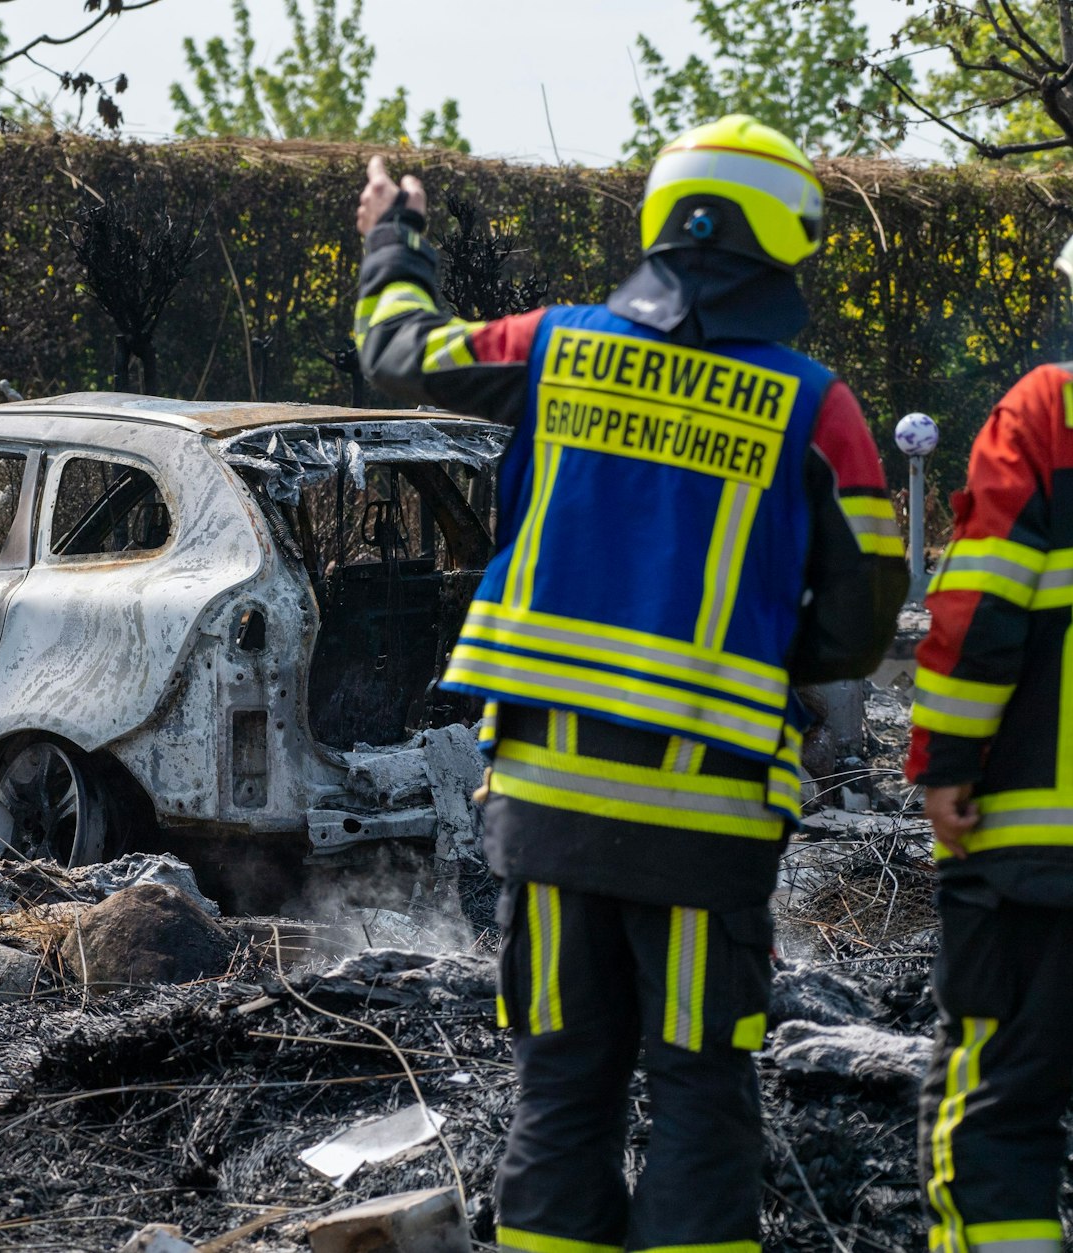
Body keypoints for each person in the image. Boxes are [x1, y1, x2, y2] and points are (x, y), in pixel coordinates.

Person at [353, 114, 907, 1252]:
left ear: (665, 218)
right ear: (779, 243)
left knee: (561, 1082)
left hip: (547, 811)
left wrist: (391, 238)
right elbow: (857, 621)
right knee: (700, 1092)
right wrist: (761, 653)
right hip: (704, 824)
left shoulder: (555, 347)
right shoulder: (818, 408)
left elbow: (399, 350)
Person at [905, 232, 1073, 1253]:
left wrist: (944, 767)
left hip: (1038, 858)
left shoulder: (1047, 412)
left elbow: (972, 609)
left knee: (997, 1117)